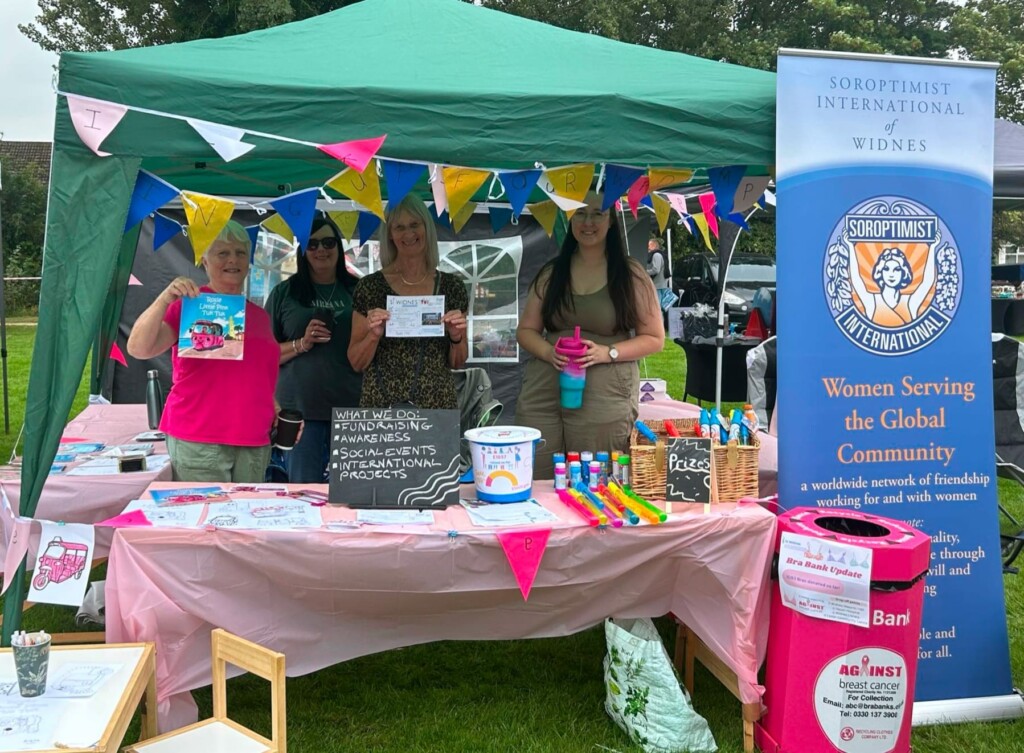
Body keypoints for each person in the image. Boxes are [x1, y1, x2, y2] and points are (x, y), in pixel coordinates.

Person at [516, 193, 665, 479]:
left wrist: (606, 353)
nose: (588, 222)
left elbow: (654, 338)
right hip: (545, 388)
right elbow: (526, 331)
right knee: (540, 474)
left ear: (610, 221)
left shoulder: (630, 273)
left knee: (594, 478)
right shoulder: (552, 272)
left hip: (605, 392)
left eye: (598, 214)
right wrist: (548, 352)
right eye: (580, 213)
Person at [127, 220, 280, 482]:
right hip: (199, 436)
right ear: (205, 261)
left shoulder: (259, 316)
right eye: (222, 253)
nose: (233, 259)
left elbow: (256, 371)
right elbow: (139, 348)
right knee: (205, 519)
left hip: (253, 438)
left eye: (240, 252)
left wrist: (273, 405)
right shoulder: (189, 306)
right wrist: (165, 300)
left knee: (243, 520)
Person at [348, 194, 468, 408]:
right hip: (382, 408)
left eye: (414, 224)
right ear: (390, 235)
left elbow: (457, 363)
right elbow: (356, 362)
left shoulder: (452, 287)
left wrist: (456, 336)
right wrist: (373, 335)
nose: (408, 233)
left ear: (427, 229)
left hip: (437, 408)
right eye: (399, 227)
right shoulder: (369, 287)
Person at [265, 216, 362, 482]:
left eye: (328, 242)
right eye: (312, 244)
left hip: (352, 408)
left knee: (351, 491)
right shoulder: (285, 292)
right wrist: (302, 343)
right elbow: (263, 355)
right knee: (302, 490)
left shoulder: (359, 290)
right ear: (303, 251)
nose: (321, 250)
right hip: (298, 410)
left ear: (339, 248)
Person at [843, 232, 937, 327]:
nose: (891, 274)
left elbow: (927, 282)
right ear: (880, 272)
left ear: (903, 273)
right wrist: (851, 246)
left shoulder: (910, 302)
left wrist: (932, 248)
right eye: (886, 269)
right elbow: (856, 279)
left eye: (897, 269)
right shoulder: (872, 302)